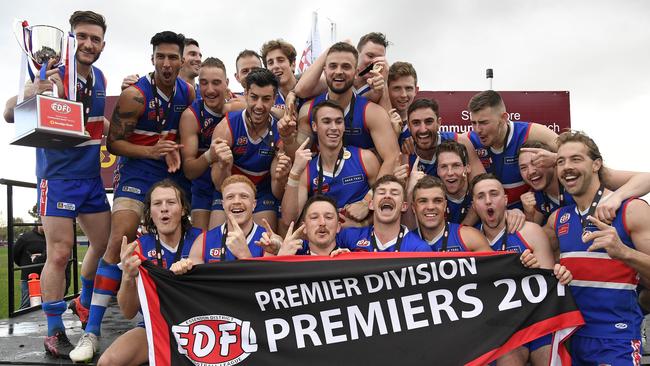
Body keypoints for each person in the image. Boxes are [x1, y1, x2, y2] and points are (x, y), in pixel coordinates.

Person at [71, 30, 195, 362]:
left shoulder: (189, 91)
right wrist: (153, 151)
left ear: (182, 61)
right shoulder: (134, 96)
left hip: (173, 171)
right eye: (160, 57)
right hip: (139, 169)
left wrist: (171, 154)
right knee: (119, 239)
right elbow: (114, 144)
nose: (167, 63)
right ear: (151, 58)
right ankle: (91, 331)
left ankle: (188, 311)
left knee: (196, 235)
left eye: (173, 57)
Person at [3, 10, 111, 358]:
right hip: (58, 177)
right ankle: (53, 331)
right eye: (82, 36)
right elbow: (8, 112)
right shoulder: (51, 71)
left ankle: (82, 300)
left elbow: (93, 122)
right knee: (61, 253)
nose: (88, 44)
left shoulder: (101, 78)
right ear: (70, 38)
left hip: (91, 177)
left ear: (103, 44)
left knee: (105, 245)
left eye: (95, 38)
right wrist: (33, 91)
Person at [543, 131, 650, 364]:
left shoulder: (632, 210)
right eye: (560, 161)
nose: (566, 167)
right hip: (570, 337)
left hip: (616, 338)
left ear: (596, 164)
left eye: (576, 159)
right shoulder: (557, 219)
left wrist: (624, 252)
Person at [96, 179, 202, 366]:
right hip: (155, 324)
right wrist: (128, 276)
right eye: (157, 203)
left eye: (171, 202)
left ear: (183, 209)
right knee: (107, 362)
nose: (164, 209)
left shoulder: (203, 239)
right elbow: (128, 312)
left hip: (199, 324)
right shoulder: (138, 247)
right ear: (150, 212)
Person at [472, 173, 572, 366]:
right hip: (500, 326)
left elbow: (550, 284)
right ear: (474, 205)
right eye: (481, 196)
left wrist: (534, 270)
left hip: (536, 319)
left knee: (549, 358)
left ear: (506, 200)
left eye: (494, 194)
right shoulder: (470, 239)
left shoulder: (530, 231)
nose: (488, 201)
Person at [287, 42, 399, 177]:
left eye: (346, 66)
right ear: (325, 70)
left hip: (362, 190)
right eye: (333, 66)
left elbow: (392, 157)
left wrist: (373, 196)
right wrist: (286, 138)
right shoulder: (308, 109)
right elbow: (298, 155)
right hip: (321, 189)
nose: (339, 71)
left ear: (356, 73)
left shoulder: (372, 112)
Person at [281, 100, 380, 228]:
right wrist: (294, 172)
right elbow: (289, 220)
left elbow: (385, 205)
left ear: (344, 126)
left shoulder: (365, 158)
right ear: (314, 126)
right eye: (326, 121)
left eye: (339, 122)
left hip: (361, 241)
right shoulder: (307, 168)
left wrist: (362, 222)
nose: (333, 127)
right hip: (325, 240)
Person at [208, 68, 280, 230]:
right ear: (246, 94)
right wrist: (224, 165)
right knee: (217, 243)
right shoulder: (226, 127)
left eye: (266, 99)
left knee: (264, 241)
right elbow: (219, 185)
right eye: (254, 97)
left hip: (262, 191)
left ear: (275, 99)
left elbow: (278, 191)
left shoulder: (280, 130)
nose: (259, 106)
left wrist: (281, 175)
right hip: (228, 187)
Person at [519, 140, 650, 226]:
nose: (531, 171)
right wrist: (528, 214)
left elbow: (646, 178)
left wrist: (616, 198)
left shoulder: (582, 177)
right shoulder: (535, 198)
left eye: (536, 162)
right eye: (523, 168)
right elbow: (537, 240)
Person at [467, 90, 558, 209]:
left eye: (484, 122)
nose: (478, 129)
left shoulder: (529, 132)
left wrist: (556, 158)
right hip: (493, 213)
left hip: (531, 212)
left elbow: (580, 151)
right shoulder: (470, 140)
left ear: (504, 118)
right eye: (473, 123)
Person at [172, 175, 272, 274]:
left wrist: (245, 255)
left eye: (244, 196)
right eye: (230, 197)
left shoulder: (268, 240)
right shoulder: (203, 240)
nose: (236, 201)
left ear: (254, 204)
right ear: (223, 205)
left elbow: (268, 284)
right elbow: (196, 283)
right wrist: (182, 269)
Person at [179, 57, 228, 230]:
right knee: (201, 242)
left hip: (230, 184)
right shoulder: (191, 116)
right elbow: (189, 170)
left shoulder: (239, 107)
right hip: (202, 187)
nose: (210, 90)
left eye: (216, 83)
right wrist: (209, 155)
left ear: (227, 83)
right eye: (204, 83)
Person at [393, 98, 485, 181]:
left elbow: (483, 185)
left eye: (428, 121)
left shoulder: (460, 141)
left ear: (439, 123)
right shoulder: (405, 154)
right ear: (409, 127)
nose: (423, 129)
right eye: (416, 123)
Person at [336, 175, 431, 252]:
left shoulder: (418, 248)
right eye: (381, 193)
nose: (387, 196)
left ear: (404, 206)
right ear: (371, 204)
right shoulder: (348, 237)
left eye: (394, 193)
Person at [403, 176, 492, 252]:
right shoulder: (404, 243)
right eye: (423, 201)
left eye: (437, 201)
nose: (430, 207)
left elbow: (495, 269)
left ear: (445, 205)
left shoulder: (470, 238)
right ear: (414, 208)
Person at [276, 195, 348, 256]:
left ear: (338, 227)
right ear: (304, 227)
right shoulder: (293, 260)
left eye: (328, 217)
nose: (322, 223)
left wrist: (347, 262)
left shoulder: (349, 258)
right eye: (314, 217)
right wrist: (282, 258)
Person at [260, 39, 300, 118]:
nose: (275, 66)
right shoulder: (266, 98)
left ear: (293, 64)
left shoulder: (310, 89)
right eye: (270, 63)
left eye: (280, 60)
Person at [13, 225, 46, 309]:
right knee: (26, 306)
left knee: (45, 305)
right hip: (28, 278)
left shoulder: (50, 238)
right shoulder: (25, 238)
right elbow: (15, 255)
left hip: (46, 277)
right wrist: (26, 266)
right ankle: (21, 322)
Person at [387, 61, 419, 146]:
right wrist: (393, 135)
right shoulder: (375, 121)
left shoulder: (422, 126)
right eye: (397, 88)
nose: (403, 95)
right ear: (387, 90)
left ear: (416, 91)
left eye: (408, 88)